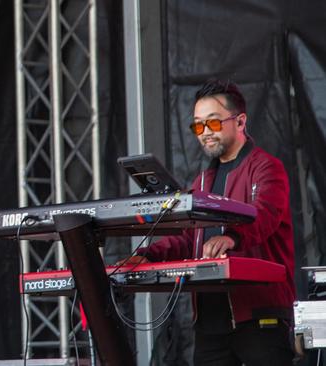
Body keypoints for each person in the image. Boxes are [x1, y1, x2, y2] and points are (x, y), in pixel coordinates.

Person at [121, 80, 295, 365]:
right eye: (198, 126)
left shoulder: (266, 167)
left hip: (260, 318)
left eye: (212, 123)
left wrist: (232, 238)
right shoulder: (202, 182)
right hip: (210, 326)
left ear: (240, 121)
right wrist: (147, 254)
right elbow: (190, 239)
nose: (204, 133)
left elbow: (265, 215)